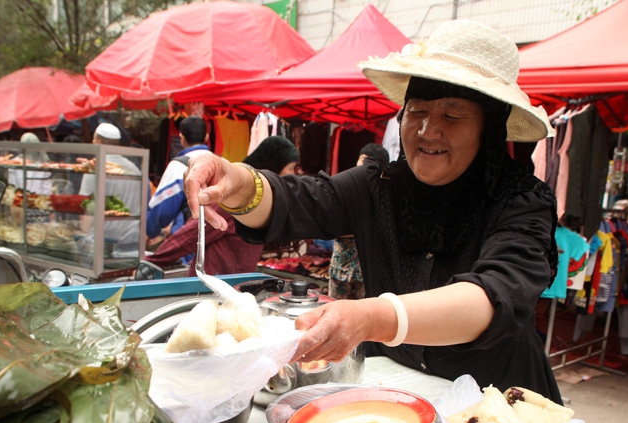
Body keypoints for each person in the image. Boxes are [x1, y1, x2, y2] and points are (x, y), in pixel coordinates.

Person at [184, 20, 563, 403]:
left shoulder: (523, 201)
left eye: (452, 116)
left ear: (490, 128)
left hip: (503, 407)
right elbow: (300, 199)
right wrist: (236, 181)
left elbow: (493, 297)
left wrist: (370, 318)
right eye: (417, 111)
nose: (428, 130)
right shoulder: (378, 185)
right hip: (397, 392)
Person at [148, 136, 299, 276]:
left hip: (237, 286)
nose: (293, 174)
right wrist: (153, 262)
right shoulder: (236, 195)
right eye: (291, 168)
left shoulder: (265, 199)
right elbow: (191, 234)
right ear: (274, 165)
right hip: (211, 286)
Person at [328, 143, 392, 300]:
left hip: (367, 273)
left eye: (366, 162)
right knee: (335, 313)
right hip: (340, 268)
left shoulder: (384, 195)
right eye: (361, 160)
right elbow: (332, 225)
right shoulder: (346, 188)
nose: (360, 165)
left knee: (364, 318)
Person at [78, 122, 143, 256]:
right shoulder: (134, 169)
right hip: (131, 243)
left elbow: (87, 209)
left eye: (93, 140)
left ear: (99, 142)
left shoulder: (95, 168)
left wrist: (81, 238)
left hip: (103, 244)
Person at [146, 116, 210, 240]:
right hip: (218, 244)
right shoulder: (223, 163)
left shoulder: (178, 166)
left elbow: (162, 210)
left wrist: (150, 231)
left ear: (182, 138)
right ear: (206, 137)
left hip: (188, 244)